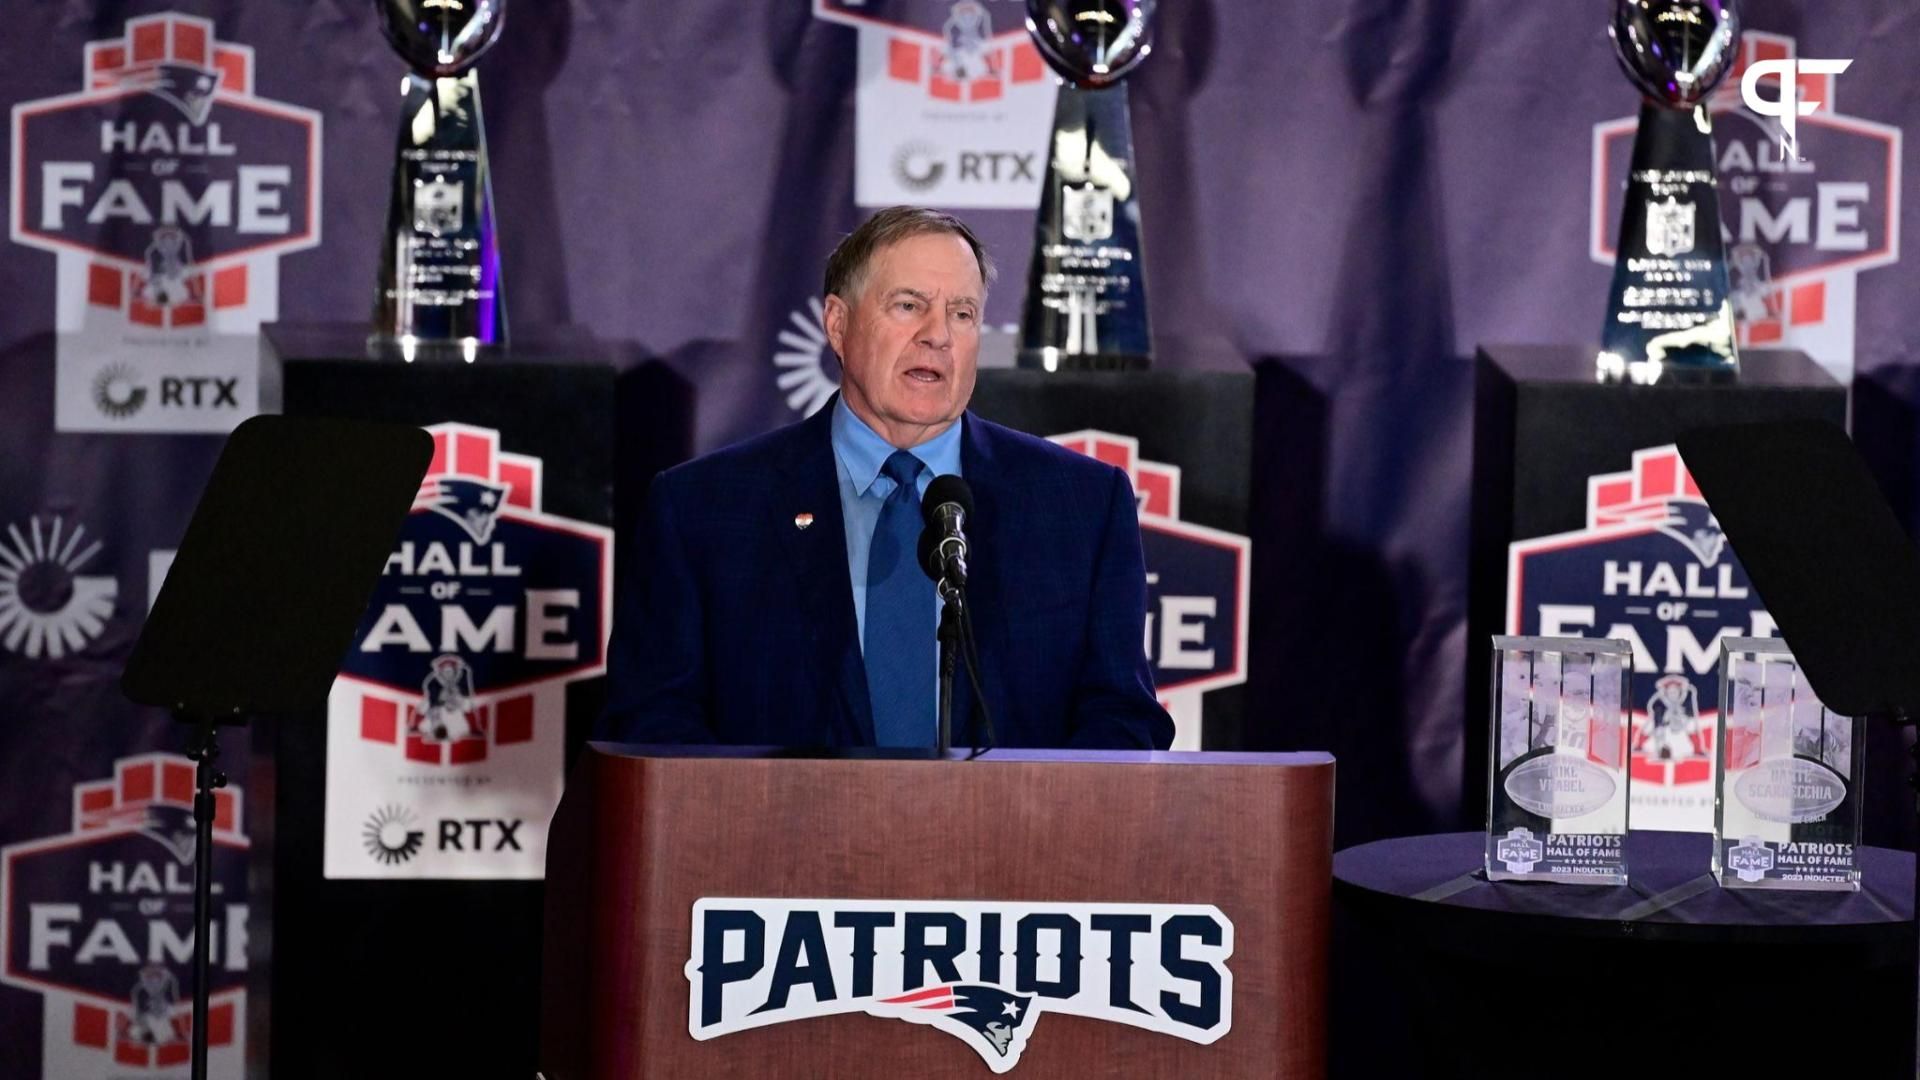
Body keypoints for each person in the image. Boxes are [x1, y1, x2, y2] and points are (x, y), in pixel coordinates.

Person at [600, 206, 1171, 750]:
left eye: (963, 313)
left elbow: (1122, 719)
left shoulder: (1082, 508)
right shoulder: (704, 510)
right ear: (838, 324)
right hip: (781, 848)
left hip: (1013, 849)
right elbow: (652, 723)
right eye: (908, 305)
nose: (938, 335)